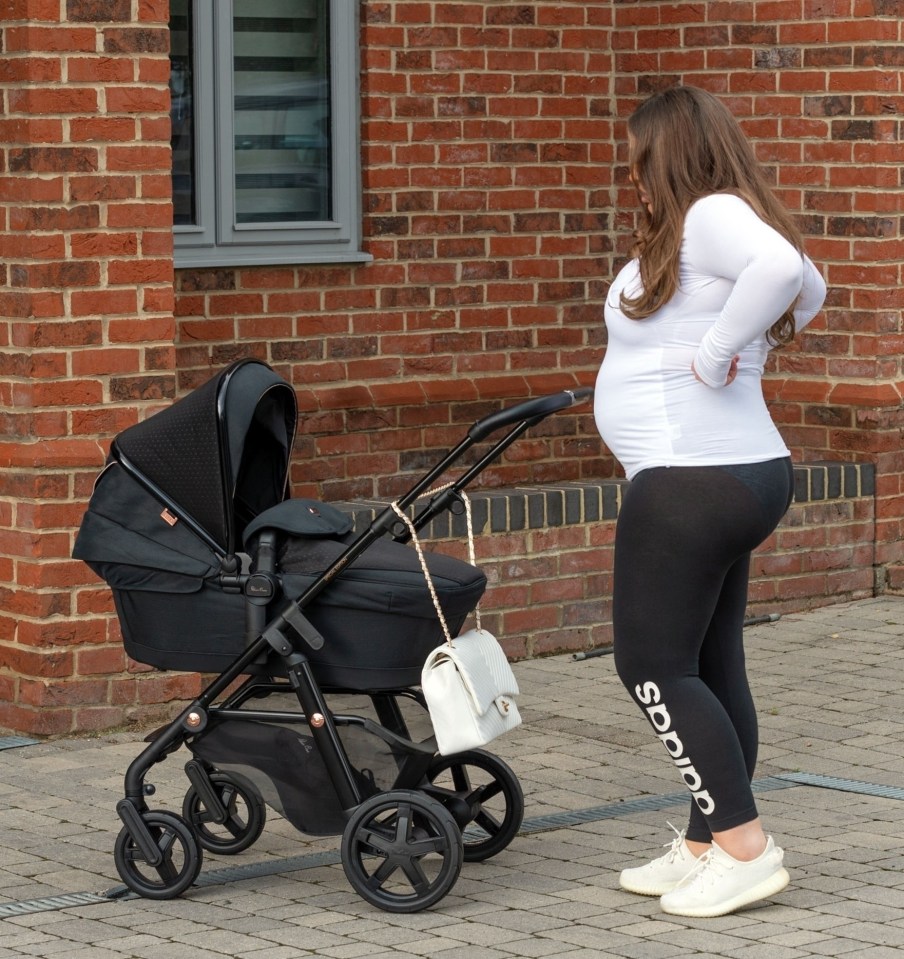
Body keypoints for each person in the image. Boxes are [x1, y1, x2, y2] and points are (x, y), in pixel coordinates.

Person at [593, 85, 827, 919]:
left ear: (671, 154)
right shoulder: (708, 226)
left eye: (639, 162)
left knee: (650, 665)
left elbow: (788, 273)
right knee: (710, 663)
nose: (634, 178)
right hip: (733, 472)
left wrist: (721, 351)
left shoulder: (710, 215)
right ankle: (702, 844)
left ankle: (744, 846)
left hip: (692, 480)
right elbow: (813, 288)